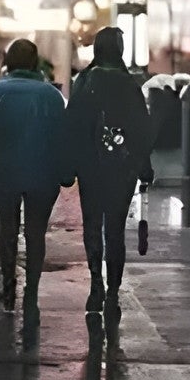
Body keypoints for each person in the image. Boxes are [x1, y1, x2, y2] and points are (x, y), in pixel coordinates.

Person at [64, 25, 155, 314]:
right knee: (114, 230)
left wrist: (70, 164)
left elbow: (73, 124)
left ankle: (95, 286)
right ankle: (113, 291)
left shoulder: (85, 80)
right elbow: (142, 128)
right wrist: (144, 164)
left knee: (92, 225)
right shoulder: (130, 84)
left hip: (91, 165)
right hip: (123, 167)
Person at [0, 37, 65, 310]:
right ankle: (32, 289)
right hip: (43, 173)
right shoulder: (52, 95)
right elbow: (59, 136)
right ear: (34, 62)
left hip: (5, 171)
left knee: (8, 229)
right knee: (35, 233)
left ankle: (8, 288)